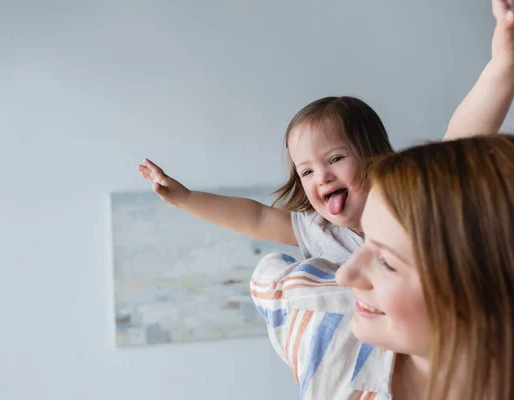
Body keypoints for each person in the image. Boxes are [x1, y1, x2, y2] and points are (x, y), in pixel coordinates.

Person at [138, 0, 514, 266]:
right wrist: (185, 198)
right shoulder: (319, 230)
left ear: (375, 155)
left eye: (334, 158)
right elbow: (253, 218)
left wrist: (502, 65)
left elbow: (463, 138)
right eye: (306, 171)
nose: (322, 177)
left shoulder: (410, 200)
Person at [250, 134, 514, 400]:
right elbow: (270, 281)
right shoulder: (317, 329)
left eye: (387, 262)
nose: (344, 274)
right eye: (365, 242)